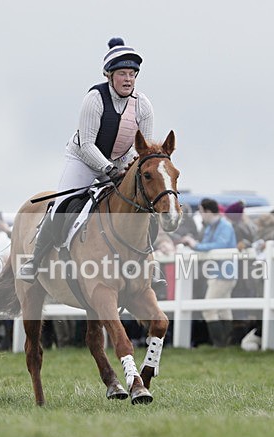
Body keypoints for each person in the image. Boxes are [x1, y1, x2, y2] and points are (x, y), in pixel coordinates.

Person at [18, 37, 154, 281]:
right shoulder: (95, 98)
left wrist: (128, 168)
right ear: (109, 76)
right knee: (64, 204)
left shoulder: (143, 105)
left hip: (120, 162)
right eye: (122, 73)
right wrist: (109, 169)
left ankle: (148, 264)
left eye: (132, 74)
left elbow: (142, 149)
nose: (128, 79)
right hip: (83, 158)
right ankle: (35, 261)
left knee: (142, 204)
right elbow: (88, 144)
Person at [180, 198, 238, 347]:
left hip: (224, 273)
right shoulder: (211, 227)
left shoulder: (224, 226)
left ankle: (219, 344)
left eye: (201, 211)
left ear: (208, 211)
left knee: (208, 309)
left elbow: (220, 245)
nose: (200, 214)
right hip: (216, 273)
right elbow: (206, 244)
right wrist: (195, 244)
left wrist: (195, 245)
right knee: (224, 309)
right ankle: (227, 343)